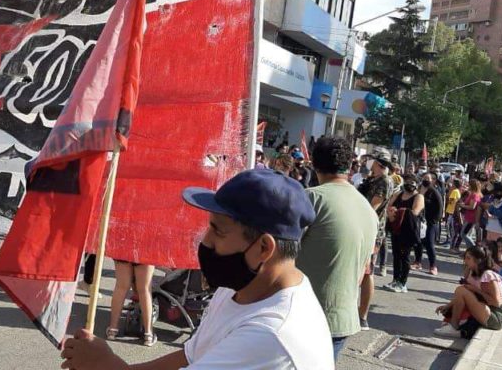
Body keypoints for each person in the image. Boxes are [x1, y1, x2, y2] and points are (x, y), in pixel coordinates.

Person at [60, 168, 334, 369]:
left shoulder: (272, 336)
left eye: (218, 230)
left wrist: (106, 366)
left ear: (264, 248)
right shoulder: (242, 289)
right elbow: (191, 356)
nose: (206, 241)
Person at [299, 137, 377, 361]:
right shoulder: (367, 208)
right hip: (343, 319)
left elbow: (277, 254)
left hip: (307, 316)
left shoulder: (313, 198)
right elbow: (364, 269)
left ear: (314, 164)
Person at [433, 246, 502, 338]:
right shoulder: (472, 273)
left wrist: (476, 290)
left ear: (478, 260)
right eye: (465, 257)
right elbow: (464, 295)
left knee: (461, 290)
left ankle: (454, 327)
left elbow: (496, 303)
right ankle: (456, 325)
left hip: (497, 315)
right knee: (462, 289)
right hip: (486, 310)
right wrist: (448, 305)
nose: (465, 261)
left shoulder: (488, 275)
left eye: (468, 258)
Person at [357, 150, 395, 329]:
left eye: (371, 161)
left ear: (378, 163)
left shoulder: (384, 181)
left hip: (371, 232)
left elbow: (373, 207)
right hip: (367, 229)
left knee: (366, 272)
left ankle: (362, 315)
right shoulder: (375, 179)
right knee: (362, 271)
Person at [384, 175, 424, 293]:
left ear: (417, 184)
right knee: (396, 255)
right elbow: (388, 206)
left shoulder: (418, 196)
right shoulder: (399, 194)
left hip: (409, 230)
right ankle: (395, 279)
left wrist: (398, 211)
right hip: (396, 228)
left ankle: (402, 282)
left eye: (412, 182)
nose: (409, 184)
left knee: (404, 256)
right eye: (407, 182)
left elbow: (415, 211)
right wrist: (391, 212)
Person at [107, 261, 156, 346]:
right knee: (145, 290)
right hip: (145, 250)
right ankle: (148, 334)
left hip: (124, 249)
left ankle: (112, 329)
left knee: (120, 287)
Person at [414, 173, 443, 276]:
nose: (425, 180)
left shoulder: (434, 192)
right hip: (420, 221)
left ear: (433, 180)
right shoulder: (419, 190)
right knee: (418, 242)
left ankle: (433, 266)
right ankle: (417, 262)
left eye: (428, 179)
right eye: (424, 178)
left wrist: (435, 220)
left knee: (429, 244)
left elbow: (440, 207)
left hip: (431, 222)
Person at [456, 179, 482, 250]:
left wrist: (462, 206)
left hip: (471, 218)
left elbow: (472, 207)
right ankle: (469, 250)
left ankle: (474, 249)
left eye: (469, 184)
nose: (467, 185)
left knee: (464, 234)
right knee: (467, 234)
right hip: (468, 217)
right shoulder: (472, 194)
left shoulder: (475, 195)